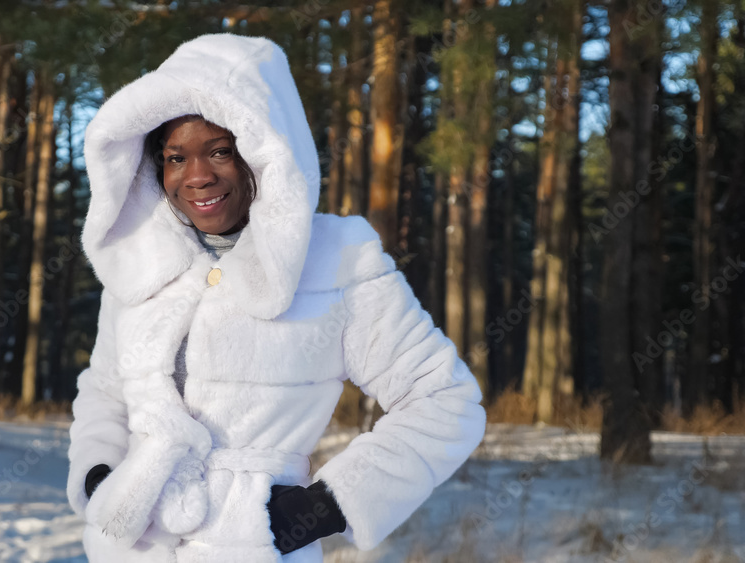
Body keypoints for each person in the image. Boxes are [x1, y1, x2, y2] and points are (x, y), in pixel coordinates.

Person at [67, 33, 486, 563]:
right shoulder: (140, 261)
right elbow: (105, 390)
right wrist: (98, 474)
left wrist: (322, 509)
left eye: (220, 150)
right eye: (176, 158)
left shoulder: (338, 260)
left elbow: (444, 400)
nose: (197, 176)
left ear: (262, 154)